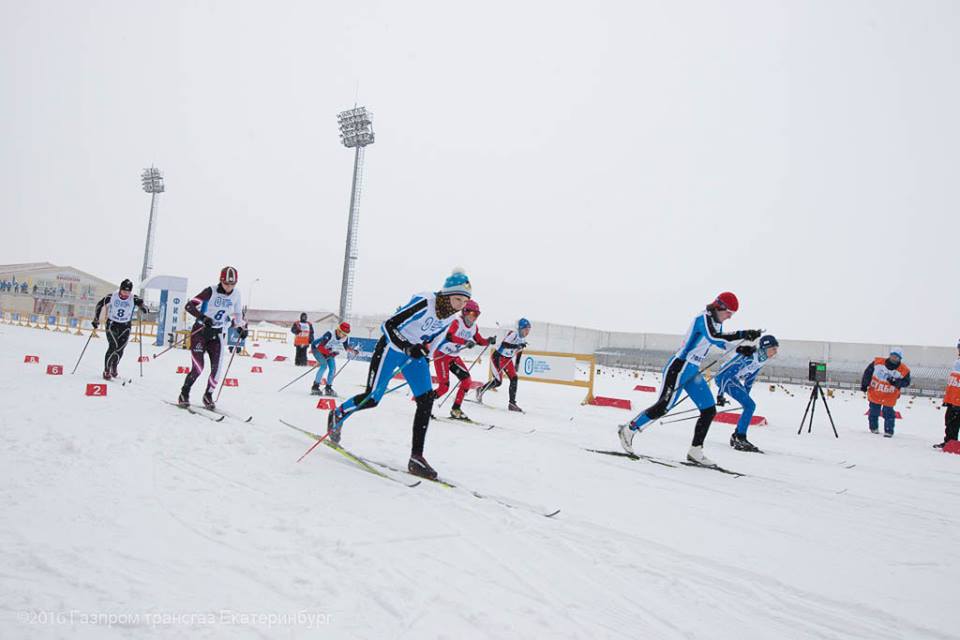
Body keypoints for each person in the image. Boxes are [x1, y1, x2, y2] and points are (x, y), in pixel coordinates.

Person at [328, 269, 472, 479]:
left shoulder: (450, 317)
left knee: (426, 399)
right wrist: (406, 347)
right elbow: (388, 325)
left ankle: (416, 457)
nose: (460, 305)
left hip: (413, 354)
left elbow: (437, 338)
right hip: (391, 348)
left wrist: (427, 356)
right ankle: (338, 414)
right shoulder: (426, 301)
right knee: (372, 398)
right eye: (457, 299)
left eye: (464, 301)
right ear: (446, 294)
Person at [618, 292, 762, 467]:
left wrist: (740, 349)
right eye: (729, 312)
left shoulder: (717, 322)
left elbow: (720, 343)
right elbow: (714, 337)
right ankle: (628, 429)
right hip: (679, 367)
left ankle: (696, 451)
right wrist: (743, 333)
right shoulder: (704, 318)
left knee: (709, 410)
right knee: (664, 406)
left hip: (693, 370)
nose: (730, 317)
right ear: (719, 306)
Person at [178, 266, 248, 410]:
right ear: (221, 281)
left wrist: (241, 328)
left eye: (232, 284)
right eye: (226, 283)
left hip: (217, 334)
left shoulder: (236, 295)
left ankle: (208, 395)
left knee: (217, 369)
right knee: (198, 368)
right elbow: (189, 306)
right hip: (201, 332)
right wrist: (203, 318)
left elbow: (237, 316)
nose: (229, 287)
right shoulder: (211, 291)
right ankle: (184, 393)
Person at [714, 334, 779, 453]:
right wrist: (720, 394)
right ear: (765, 348)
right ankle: (739, 437)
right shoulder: (749, 358)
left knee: (749, 405)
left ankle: (737, 436)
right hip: (723, 378)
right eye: (773, 349)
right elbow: (727, 374)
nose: (775, 352)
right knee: (750, 406)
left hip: (732, 379)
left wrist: (746, 394)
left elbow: (750, 379)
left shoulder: (762, 359)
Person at [433, 300, 495, 421]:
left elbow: (480, 341)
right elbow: (449, 336)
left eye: (476, 315)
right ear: (465, 312)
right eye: (471, 314)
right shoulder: (457, 322)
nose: (473, 317)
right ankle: (424, 403)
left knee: (467, 381)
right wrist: (465, 342)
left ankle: (456, 409)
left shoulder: (474, 328)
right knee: (443, 388)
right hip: (442, 355)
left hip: (453, 357)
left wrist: (489, 340)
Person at [91, 279, 147, 380]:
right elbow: (99, 305)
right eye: (124, 291)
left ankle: (114, 366)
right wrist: (96, 319)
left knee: (120, 349)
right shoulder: (112, 296)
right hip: (112, 324)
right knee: (113, 346)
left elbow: (144, 308)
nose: (126, 294)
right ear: (120, 289)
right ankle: (106, 370)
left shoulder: (134, 298)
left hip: (125, 326)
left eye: (128, 292)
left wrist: (143, 307)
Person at [475, 318, 530, 412]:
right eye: (525, 329)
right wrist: (517, 346)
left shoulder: (523, 338)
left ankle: (512, 403)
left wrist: (517, 364)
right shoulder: (513, 334)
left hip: (507, 360)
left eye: (528, 330)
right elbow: (505, 344)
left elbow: (519, 352)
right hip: (498, 358)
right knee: (498, 382)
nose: (527, 332)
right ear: (520, 328)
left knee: (514, 378)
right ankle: (480, 389)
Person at [861, 348, 911, 437]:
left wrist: (896, 382)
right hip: (875, 392)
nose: (894, 358)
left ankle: (888, 431)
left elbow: (906, 382)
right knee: (873, 411)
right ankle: (873, 428)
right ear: (890, 355)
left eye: (896, 357)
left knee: (888, 413)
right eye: (892, 356)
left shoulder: (904, 369)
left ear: (900, 358)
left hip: (890, 395)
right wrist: (864, 385)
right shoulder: (878, 363)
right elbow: (867, 373)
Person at [310, 321, 359, 396]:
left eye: (346, 334)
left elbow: (346, 348)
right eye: (343, 333)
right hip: (316, 348)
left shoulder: (344, 337)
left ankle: (328, 388)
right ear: (338, 330)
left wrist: (353, 351)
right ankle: (315, 387)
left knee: (333, 368)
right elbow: (320, 347)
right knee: (324, 366)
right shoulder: (329, 334)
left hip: (328, 350)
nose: (344, 336)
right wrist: (330, 353)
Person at [935, 339, 960, 449]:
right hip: (953, 399)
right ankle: (950, 443)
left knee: (953, 422)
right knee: (950, 422)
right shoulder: (957, 363)